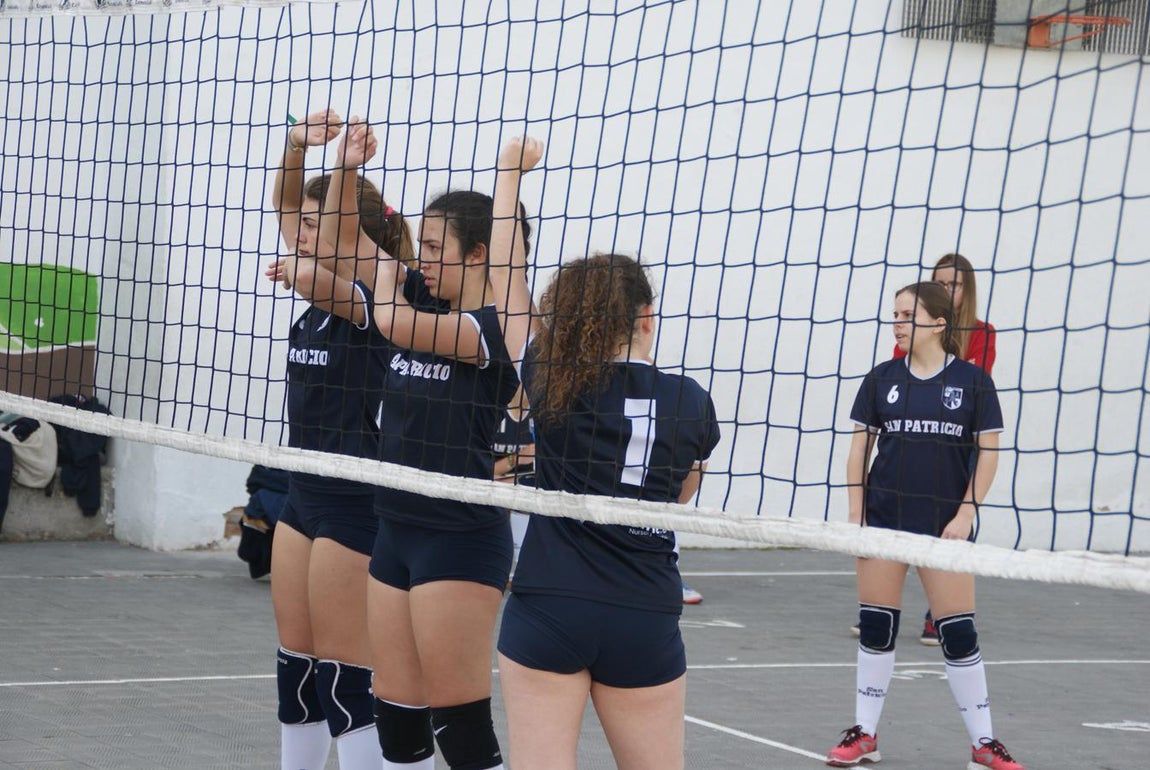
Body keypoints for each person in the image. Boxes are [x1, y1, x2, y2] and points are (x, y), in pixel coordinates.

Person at [487, 139, 721, 770]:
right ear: (646, 317)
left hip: (550, 602)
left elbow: (506, 282)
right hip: (643, 610)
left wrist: (510, 172)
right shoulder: (691, 402)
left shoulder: (553, 376)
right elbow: (680, 493)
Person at [320, 120, 518, 770]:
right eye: (422, 245)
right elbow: (339, 243)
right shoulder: (410, 290)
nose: (422, 256)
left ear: (479, 254)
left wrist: (385, 285)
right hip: (395, 530)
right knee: (397, 725)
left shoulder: (493, 332)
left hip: (458, 538)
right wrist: (345, 167)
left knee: (459, 730)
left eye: (437, 247)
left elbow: (396, 325)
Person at [264, 109, 414, 770]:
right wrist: (298, 145)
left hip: (357, 500)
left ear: (348, 229)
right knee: (295, 669)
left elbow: (322, 256)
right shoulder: (314, 299)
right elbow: (287, 204)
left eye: (315, 222)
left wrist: (348, 169)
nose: (298, 228)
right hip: (303, 493)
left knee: (345, 682)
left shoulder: (373, 301)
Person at [826, 282, 1023, 770]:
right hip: (885, 521)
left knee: (958, 633)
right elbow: (859, 450)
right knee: (876, 626)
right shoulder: (881, 379)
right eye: (893, 313)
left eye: (907, 313)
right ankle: (865, 732)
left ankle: (984, 743)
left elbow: (990, 454)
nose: (896, 321)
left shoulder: (974, 383)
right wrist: (858, 515)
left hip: (944, 527)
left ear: (938, 322)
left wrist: (965, 515)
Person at [869, 253, 997, 645]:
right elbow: (902, 374)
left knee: (953, 522)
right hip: (911, 441)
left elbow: (974, 375)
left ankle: (938, 613)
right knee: (899, 515)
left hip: (959, 438)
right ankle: (881, 604)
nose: (946, 289)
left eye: (954, 284)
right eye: (940, 283)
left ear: (967, 289)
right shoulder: (908, 335)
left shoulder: (981, 331)